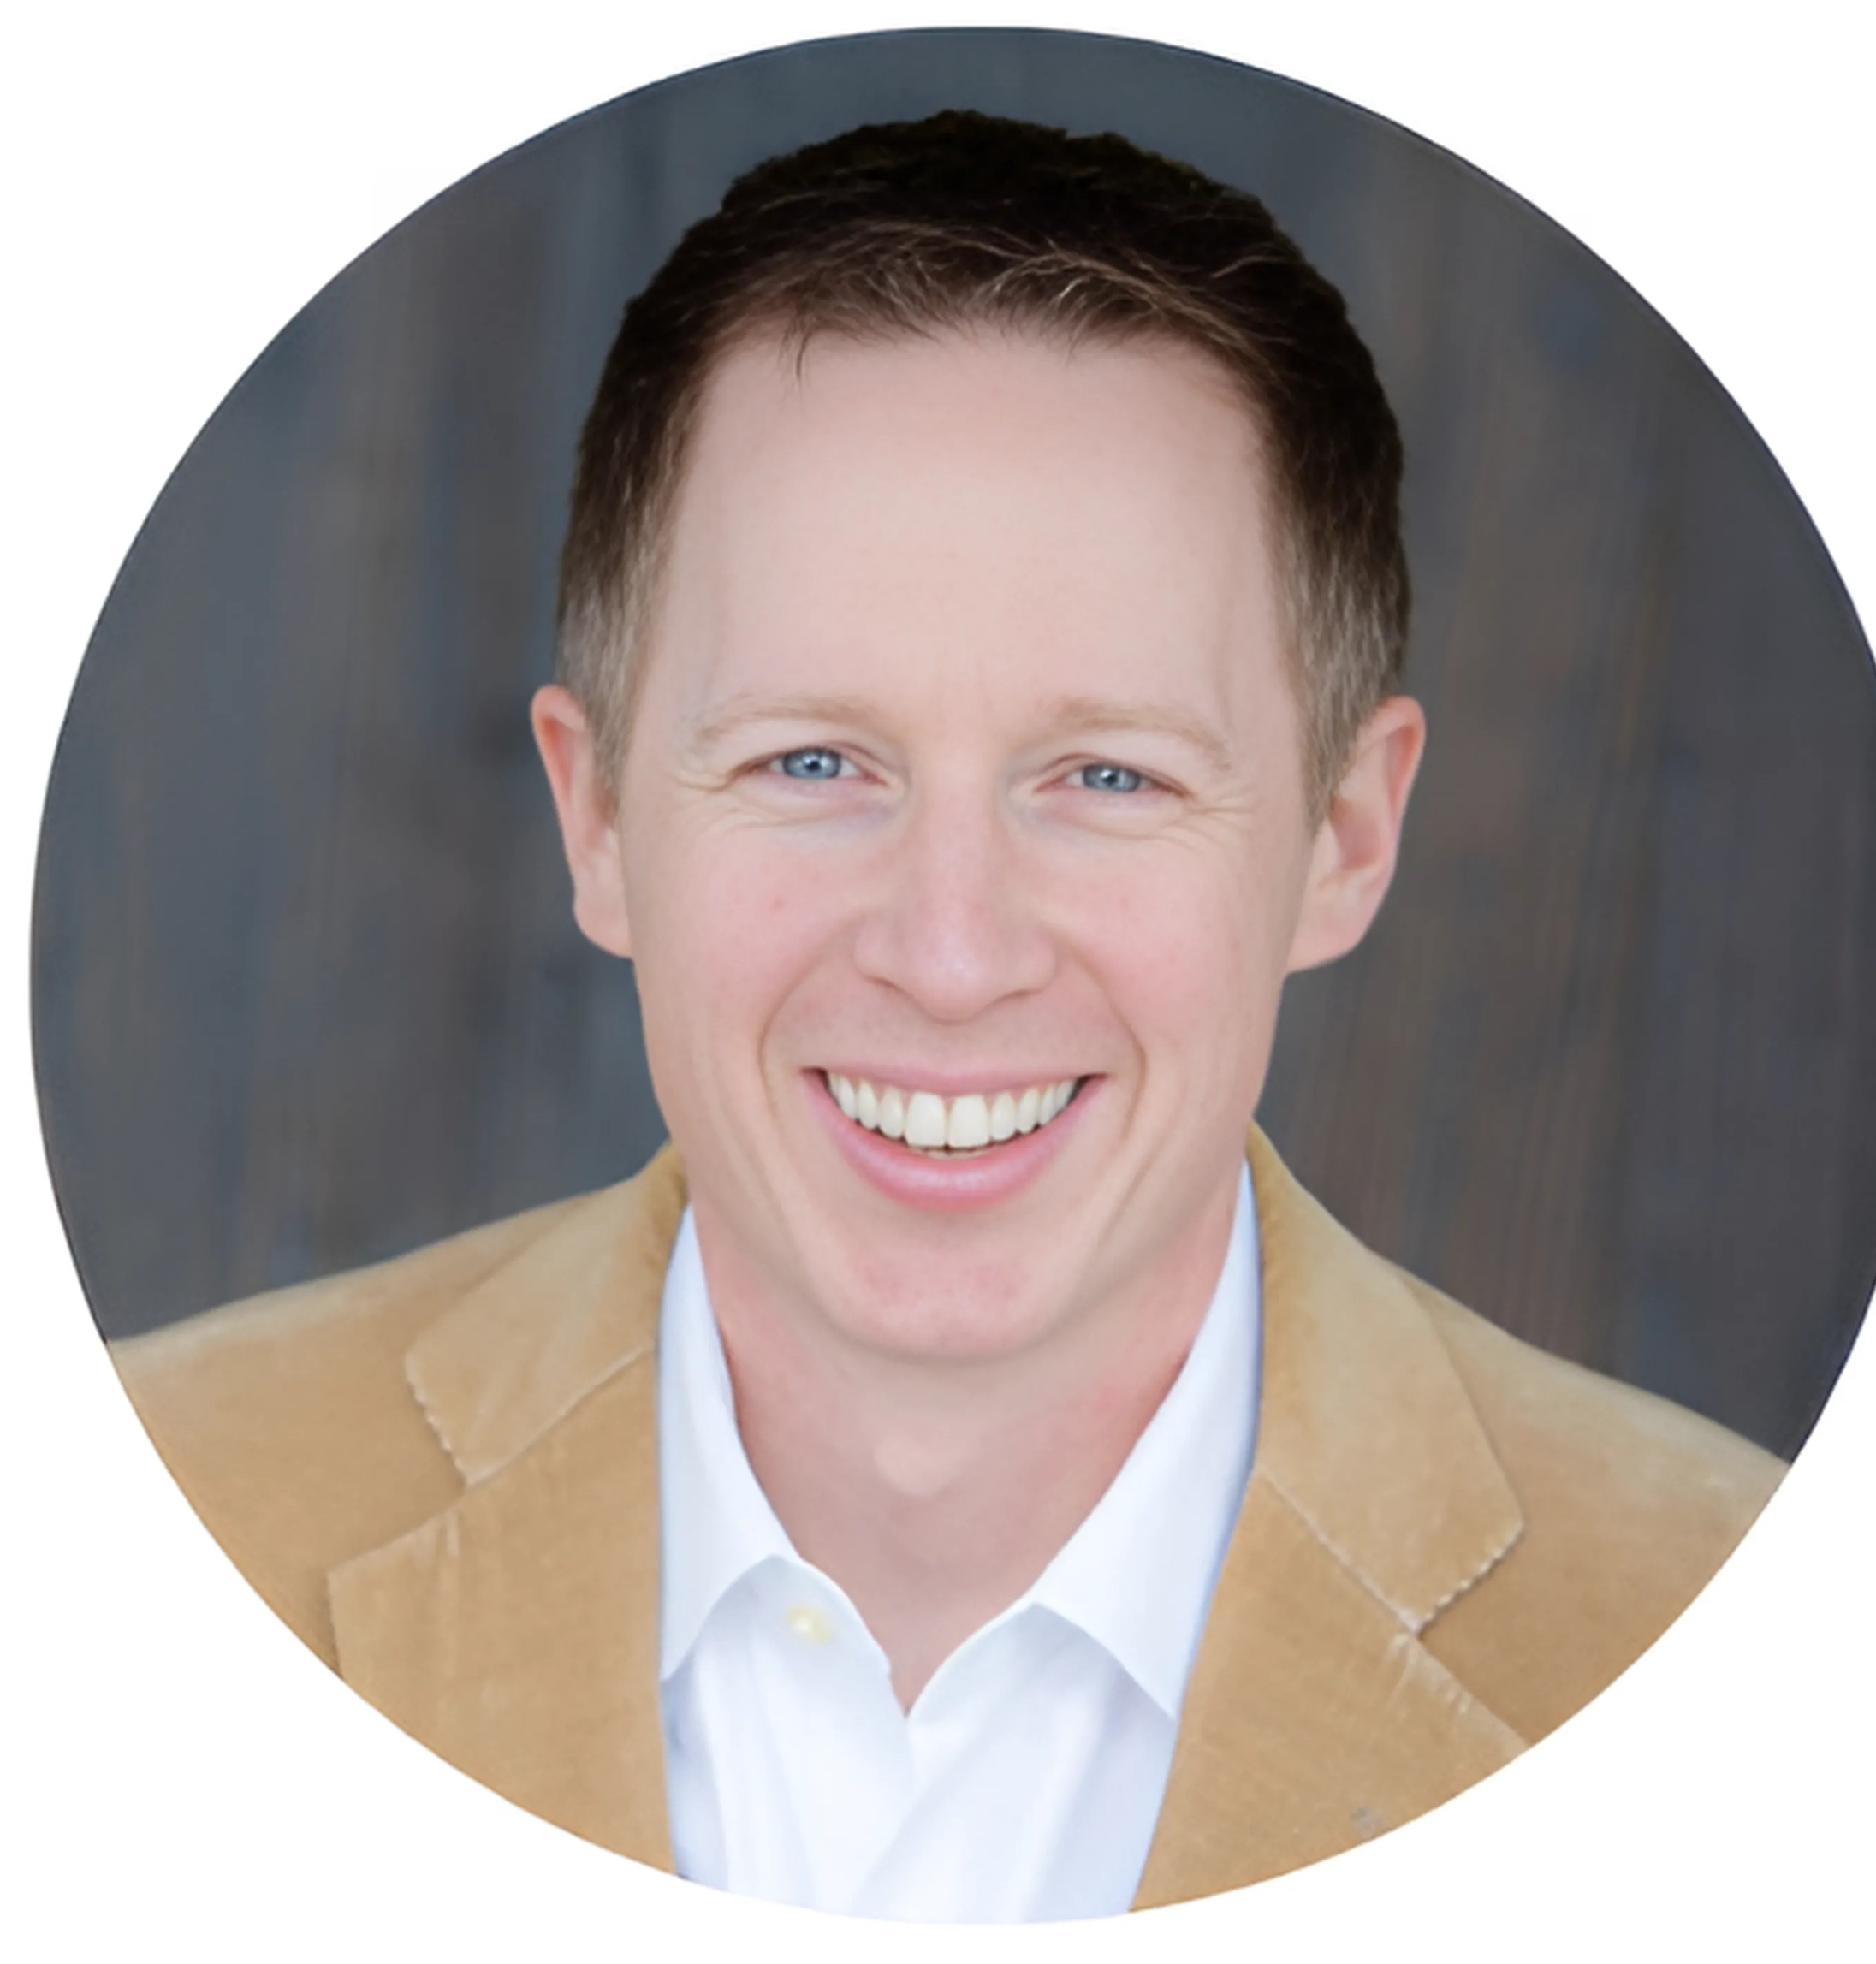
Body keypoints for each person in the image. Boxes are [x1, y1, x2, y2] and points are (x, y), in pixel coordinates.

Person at [110, 111, 1784, 1922]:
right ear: (597, 820)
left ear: (1340, 837)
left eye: (1108, 776)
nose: (952, 948)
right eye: (813, 759)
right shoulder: (111, 1555)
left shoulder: (1781, 1667)